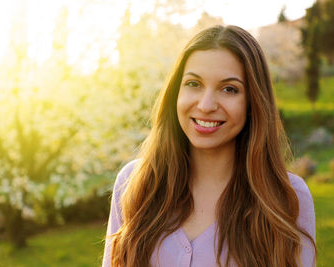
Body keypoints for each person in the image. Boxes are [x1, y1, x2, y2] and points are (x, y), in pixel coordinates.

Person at [102, 25, 316, 267]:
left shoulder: (287, 198)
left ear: (252, 101)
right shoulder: (135, 183)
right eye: (194, 84)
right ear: (176, 92)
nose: (206, 105)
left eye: (229, 89)